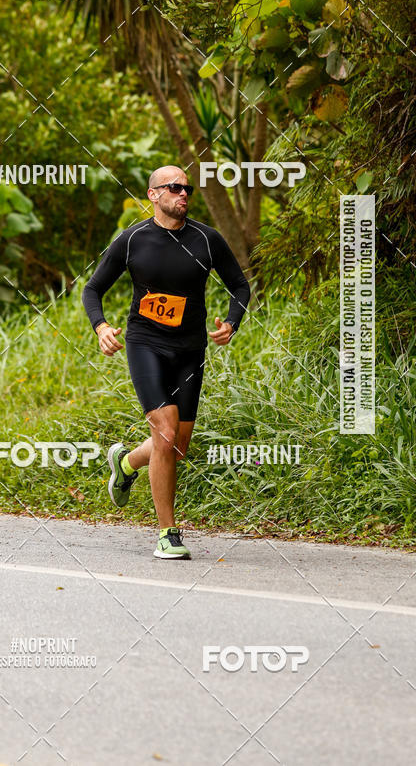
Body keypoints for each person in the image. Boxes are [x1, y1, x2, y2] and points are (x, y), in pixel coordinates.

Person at [82, 165, 251, 559]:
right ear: (153, 194)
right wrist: (101, 326)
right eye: (174, 188)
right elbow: (93, 289)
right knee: (166, 430)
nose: (183, 194)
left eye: (187, 188)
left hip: (190, 348)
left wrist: (232, 323)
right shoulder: (133, 240)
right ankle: (167, 533)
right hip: (146, 344)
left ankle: (125, 463)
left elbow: (239, 286)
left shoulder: (207, 240)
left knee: (177, 444)